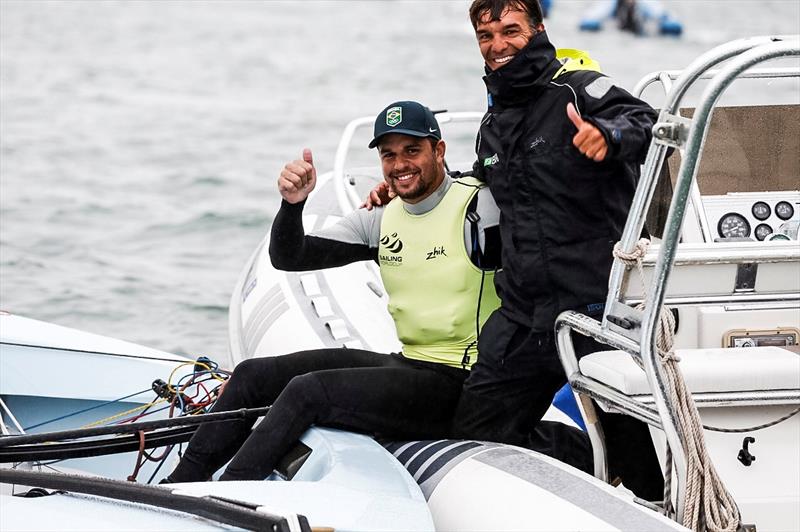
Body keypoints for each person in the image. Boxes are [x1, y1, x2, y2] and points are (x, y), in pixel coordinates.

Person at [162, 101, 503, 483]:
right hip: (410, 363)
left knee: (308, 392)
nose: (400, 164)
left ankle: (230, 497)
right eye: (388, 155)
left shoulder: (482, 204)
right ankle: (179, 487)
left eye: (412, 150)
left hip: (462, 382)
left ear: (438, 151)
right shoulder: (382, 216)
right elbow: (292, 257)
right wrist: (293, 206)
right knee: (252, 375)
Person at [453, 0, 664, 500]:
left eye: (511, 31)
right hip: (523, 317)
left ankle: (655, 500)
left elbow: (647, 122)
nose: (498, 45)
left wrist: (608, 137)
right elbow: (481, 181)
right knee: (472, 440)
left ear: (538, 29)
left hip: (591, 314)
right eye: (486, 36)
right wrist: (406, 191)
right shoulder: (495, 122)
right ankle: (582, 460)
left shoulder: (578, 91)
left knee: (642, 468)